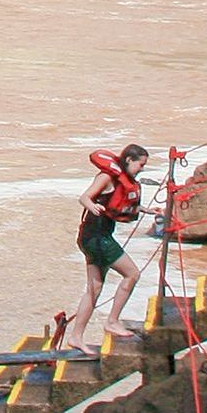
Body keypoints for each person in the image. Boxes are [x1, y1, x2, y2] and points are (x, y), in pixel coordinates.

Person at [63, 145, 149, 354]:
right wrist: (91, 205)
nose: (141, 169)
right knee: (132, 274)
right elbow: (84, 197)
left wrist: (145, 209)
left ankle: (76, 337)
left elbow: (117, 206)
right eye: (141, 165)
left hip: (94, 238)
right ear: (129, 159)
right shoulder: (106, 176)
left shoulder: (121, 181)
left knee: (95, 289)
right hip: (97, 238)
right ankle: (112, 321)